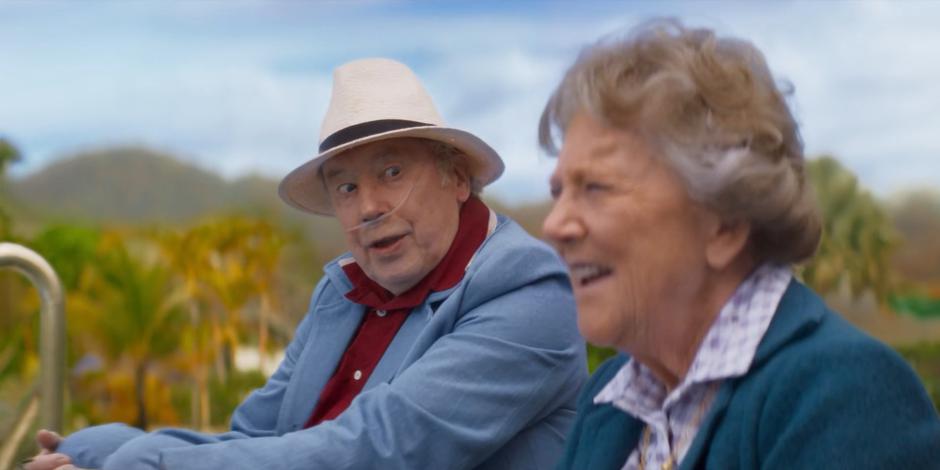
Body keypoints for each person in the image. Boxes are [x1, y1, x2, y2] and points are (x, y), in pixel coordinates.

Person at [25, 58, 586, 470]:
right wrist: (99, 453)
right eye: (346, 186)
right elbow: (257, 436)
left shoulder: (528, 291)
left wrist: (143, 465)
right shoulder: (343, 292)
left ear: (457, 178)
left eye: (392, 173)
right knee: (93, 445)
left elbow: (381, 449)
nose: (368, 207)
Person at [539, 19, 940, 470]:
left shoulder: (846, 396)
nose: (555, 225)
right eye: (558, 192)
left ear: (724, 222)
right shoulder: (608, 399)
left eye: (595, 187)